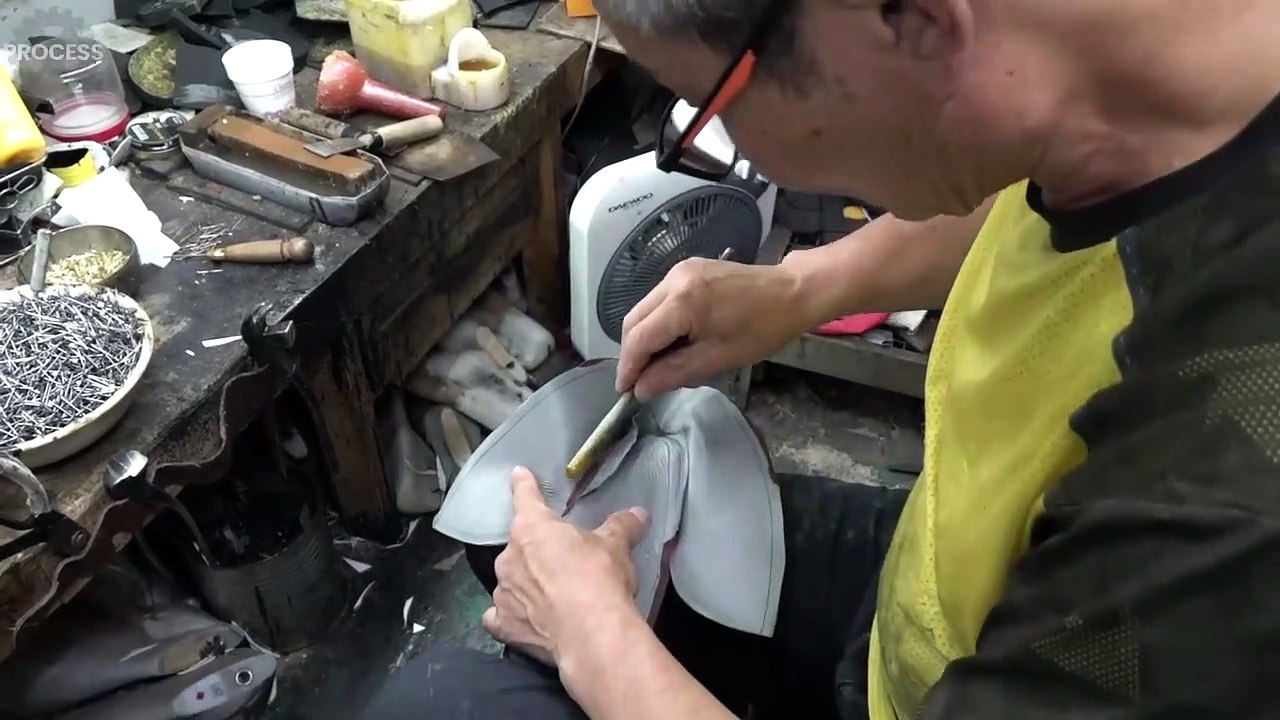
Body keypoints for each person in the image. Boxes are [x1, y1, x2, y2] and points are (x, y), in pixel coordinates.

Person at [361, 0, 1280, 717]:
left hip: (997, 652)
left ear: (914, 20)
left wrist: (596, 643)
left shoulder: (1226, 472)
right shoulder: (1113, 70)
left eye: (713, 107)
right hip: (934, 588)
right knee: (518, 547)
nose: (740, 151)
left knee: (439, 699)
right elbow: (1017, 162)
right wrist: (802, 288)